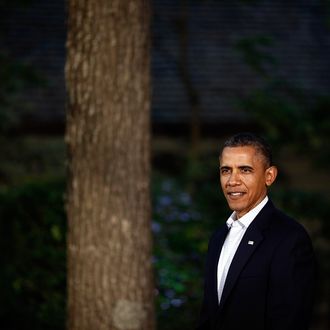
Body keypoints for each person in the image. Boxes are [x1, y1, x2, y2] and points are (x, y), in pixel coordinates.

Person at [197, 132, 316, 330]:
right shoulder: (218, 237)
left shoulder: (289, 238)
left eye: (245, 170)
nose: (232, 181)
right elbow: (209, 317)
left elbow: (290, 321)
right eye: (226, 170)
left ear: (269, 176)